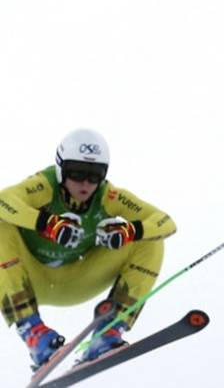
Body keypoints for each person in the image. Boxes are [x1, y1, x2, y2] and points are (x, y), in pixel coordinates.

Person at [0, 128, 176, 369]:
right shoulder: (44, 185)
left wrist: (129, 231)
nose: (85, 184)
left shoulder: (108, 196)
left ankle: (108, 333)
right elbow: (3, 201)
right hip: (28, 279)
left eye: (94, 176)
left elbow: (165, 222)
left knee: (151, 240)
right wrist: (47, 223)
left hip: (78, 280)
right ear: (61, 170)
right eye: (76, 173)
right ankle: (34, 334)